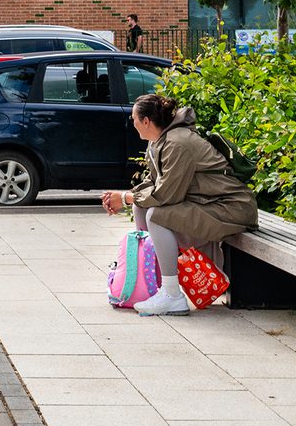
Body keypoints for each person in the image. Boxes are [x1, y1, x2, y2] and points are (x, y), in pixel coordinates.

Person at [101, 93, 257, 316]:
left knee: (156, 215)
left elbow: (166, 195)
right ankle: (153, 285)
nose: (132, 123)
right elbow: (153, 183)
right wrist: (129, 198)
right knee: (142, 208)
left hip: (230, 209)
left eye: (134, 119)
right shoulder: (161, 142)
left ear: (146, 121)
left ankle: (172, 295)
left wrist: (125, 198)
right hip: (209, 205)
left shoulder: (177, 143)